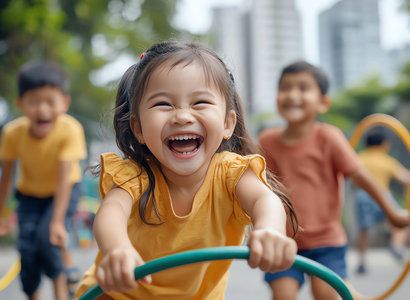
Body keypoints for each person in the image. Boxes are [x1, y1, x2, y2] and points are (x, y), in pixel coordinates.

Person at [75, 41, 299, 299]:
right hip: (118, 294)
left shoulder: (230, 174)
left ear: (228, 123)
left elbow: (264, 199)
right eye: (163, 104)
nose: (182, 116)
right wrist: (117, 249)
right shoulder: (135, 175)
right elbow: (111, 213)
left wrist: (269, 229)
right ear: (138, 129)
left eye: (200, 102)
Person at [258, 61, 409, 300]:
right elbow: (259, 190)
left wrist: (393, 213)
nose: (292, 94)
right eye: (285, 87)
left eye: (303, 88)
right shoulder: (267, 141)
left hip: (326, 241)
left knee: (326, 293)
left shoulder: (329, 138)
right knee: (283, 295)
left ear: (323, 103)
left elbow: (362, 177)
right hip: (284, 240)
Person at [0, 62, 87, 300]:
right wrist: (0, 214)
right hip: (30, 195)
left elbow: (65, 178)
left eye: (50, 101)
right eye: (34, 101)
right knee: (27, 251)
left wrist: (57, 222)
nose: (42, 109)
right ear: (20, 104)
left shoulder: (70, 129)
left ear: (64, 103)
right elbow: (6, 176)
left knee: (48, 240)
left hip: (64, 191)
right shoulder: (12, 133)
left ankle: (62, 292)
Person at [355, 128, 410, 274]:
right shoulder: (386, 160)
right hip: (383, 195)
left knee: (363, 230)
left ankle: (362, 262)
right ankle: (396, 245)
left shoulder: (359, 158)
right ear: (385, 144)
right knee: (401, 221)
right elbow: (405, 178)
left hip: (363, 195)